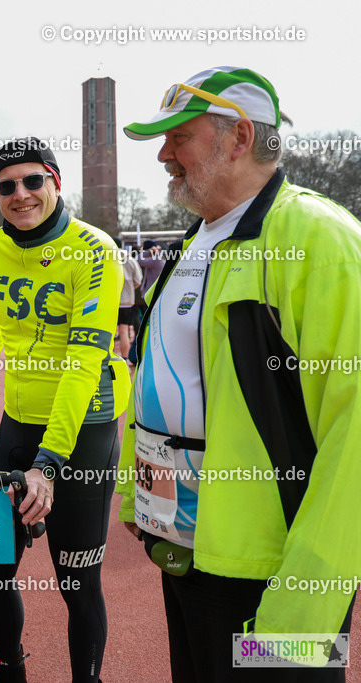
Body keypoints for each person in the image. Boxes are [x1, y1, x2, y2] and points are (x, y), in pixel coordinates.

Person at [119, 66, 361, 682]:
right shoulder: (194, 240)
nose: (163, 154)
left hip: (274, 577)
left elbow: (353, 440)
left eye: (179, 136)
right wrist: (135, 494)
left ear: (240, 137)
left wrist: (302, 615)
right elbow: (157, 374)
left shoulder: (319, 238)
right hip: (187, 551)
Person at [0, 139, 131, 683]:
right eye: (7, 186)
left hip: (83, 428)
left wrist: (50, 465)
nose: (21, 194)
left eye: (33, 181)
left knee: (76, 582)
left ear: (56, 181)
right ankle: (10, 669)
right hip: (19, 420)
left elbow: (82, 365)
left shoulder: (94, 249)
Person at [116, 241, 143, 361]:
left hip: (111, 299)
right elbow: (138, 280)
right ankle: (124, 359)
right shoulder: (131, 260)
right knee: (124, 330)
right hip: (127, 301)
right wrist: (129, 289)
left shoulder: (105, 259)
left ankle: (107, 360)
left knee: (108, 331)